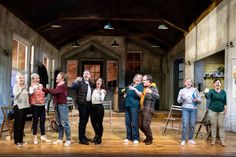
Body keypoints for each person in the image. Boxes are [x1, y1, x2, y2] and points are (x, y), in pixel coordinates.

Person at [42, 72, 71, 147]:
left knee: (64, 123)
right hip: (57, 106)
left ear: (62, 78)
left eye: (58, 76)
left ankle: (68, 140)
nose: (56, 77)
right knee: (58, 123)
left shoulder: (62, 86)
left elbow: (54, 92)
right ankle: (60, 139)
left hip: (62, 106)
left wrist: (42, 88)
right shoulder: (58, 85)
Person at [71, 70, 94, 145]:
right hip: (82, 104)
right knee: (82, 121)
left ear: (90, 76)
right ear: (83, 75)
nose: (86, 75)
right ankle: (81, 139)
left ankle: (83, 136)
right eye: (85, 74)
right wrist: (76, 80)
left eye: (88, 74)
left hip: (89, 104)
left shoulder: (91, 83)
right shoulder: (80, 82)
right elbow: (73, 87)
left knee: (86, 121)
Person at [177, 78, 201, 146]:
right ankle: (183, 140)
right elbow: (178, 101)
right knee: (185, 124)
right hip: (185, 108)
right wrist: (181, 98)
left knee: (192, 125)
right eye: (187, 81)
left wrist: (196, 100)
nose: (188, 83)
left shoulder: (195, 90)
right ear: (184, 83)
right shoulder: (182, 90)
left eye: (190, 81)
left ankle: (190, 139)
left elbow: (200, 101)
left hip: (193, 109)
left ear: (191, 83)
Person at [29, 73, 51, 144]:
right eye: (36, 78)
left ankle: (43, 135)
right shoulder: (31, 86)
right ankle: (35, 137)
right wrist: (34, 88)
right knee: (35, 121)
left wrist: (44, 105)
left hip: (42, 105)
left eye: (38, 78)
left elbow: (44, 95)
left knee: (42, 120)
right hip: (35, 106)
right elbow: (30, 93)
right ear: (33, 79)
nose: (38, 79)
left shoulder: (41, 85)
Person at [204, 78, 227, 146]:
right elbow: (207, 97)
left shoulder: (223, 92)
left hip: (221, 110)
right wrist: (205, 92)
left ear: (220, 84)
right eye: (216, 82)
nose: (217, 84)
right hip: (212, 110)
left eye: (219, 82)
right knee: (213, 125)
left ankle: (222, 140)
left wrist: (226, 109)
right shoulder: (211, 91)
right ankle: (213, 140)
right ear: (214, 84)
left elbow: (225, 102)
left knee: (221, 125)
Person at [139, 75, 159, 145]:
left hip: (148, 109)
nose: (142, 81)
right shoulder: (144, 87)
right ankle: (148, 137)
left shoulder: (153, 88)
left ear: (148, 81)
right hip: (142, 108)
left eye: (144, 80)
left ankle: (150, 138)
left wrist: (151, 92)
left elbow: (157, 97)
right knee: (140, 125)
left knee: (145, 125)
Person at [123, 74, 143, 144]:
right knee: (127, 122)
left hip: (134, 106)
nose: (138, 79)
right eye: (136, 77)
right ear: (134, 78)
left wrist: (134, 89)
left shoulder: (140, 86)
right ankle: (128, 137)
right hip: (127, 105)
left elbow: (140, 95)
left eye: (139, 78)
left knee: (134, 122)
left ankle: (136, 138)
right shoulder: (131, 85)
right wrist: (125, 95)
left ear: (141, 80)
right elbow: (127, 92)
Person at [12, 72, 30, 147]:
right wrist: (22, 89)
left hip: (25, 107)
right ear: (17, 79)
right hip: (18, 107)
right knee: (17, 125)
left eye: (22, 78)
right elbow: (15, 95)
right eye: (20, 78)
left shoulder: (25, 87)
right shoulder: (16, 86)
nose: (22, 79)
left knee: (22, 125)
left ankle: (21, 140)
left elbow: (27, 96)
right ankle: (17, 141)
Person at [90, 78, 106, 145]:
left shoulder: (103, 91)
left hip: (99, 107)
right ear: (96, 82)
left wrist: (99, 92)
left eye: (100, 81)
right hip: (92, 107)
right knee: (93, 123)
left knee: (99, 123)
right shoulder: (93, 90)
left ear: (101, 83)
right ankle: (96, 135)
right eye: (97, 81)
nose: (99, 82)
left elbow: (101, 100)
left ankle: (99, 137)